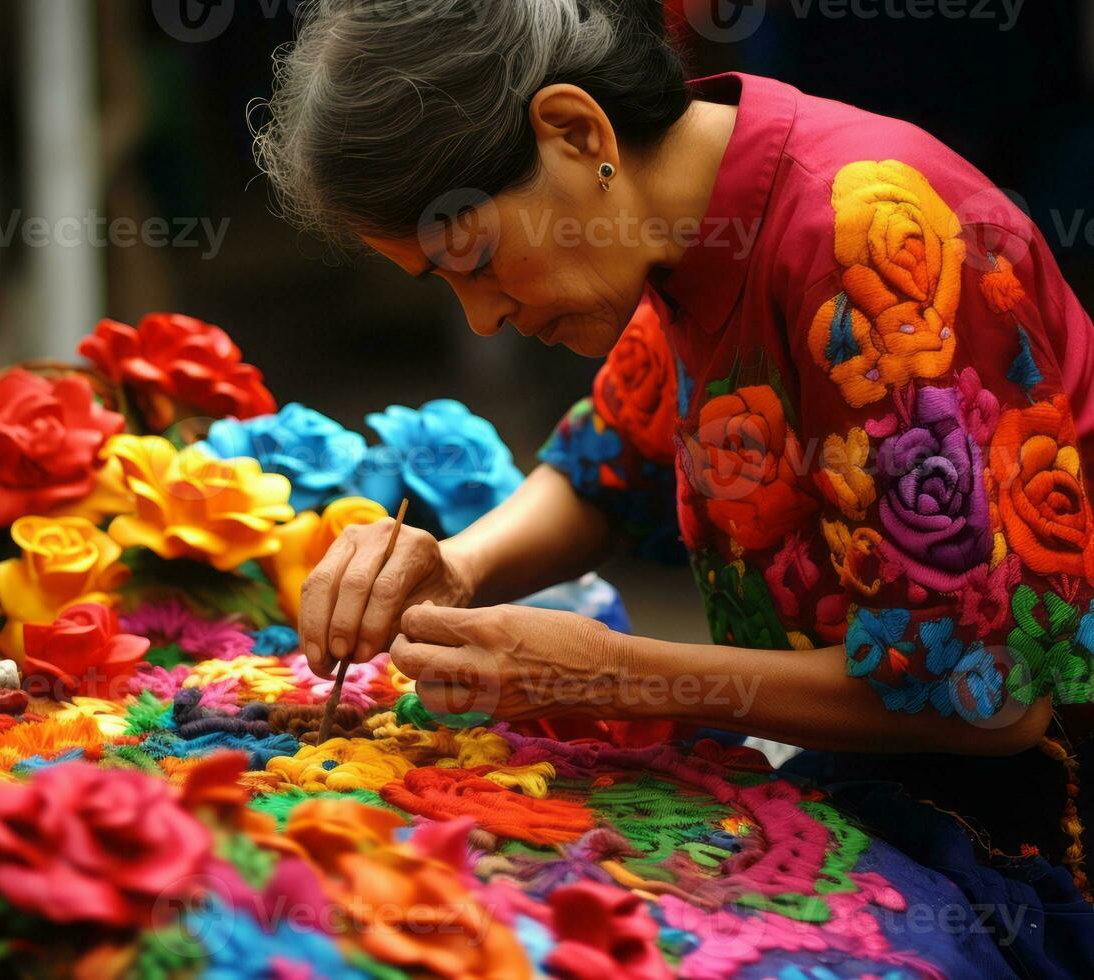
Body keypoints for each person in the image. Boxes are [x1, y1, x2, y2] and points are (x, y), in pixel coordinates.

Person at [255, 1, 1094, 959]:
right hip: (888, 773)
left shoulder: (863, 238)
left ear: (576, 133)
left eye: (479, 260)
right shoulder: (689, 218)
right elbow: (606, 464)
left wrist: (612, 670)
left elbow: (985, 703)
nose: (481, 320)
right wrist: (453, 567)